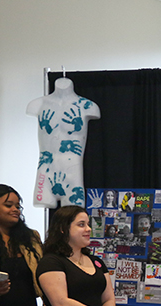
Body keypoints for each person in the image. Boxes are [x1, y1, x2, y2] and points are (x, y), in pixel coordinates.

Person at [27, 77, 100, 208]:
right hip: (46, 168)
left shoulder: (87, 106)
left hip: (73, 170)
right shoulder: (37, 104)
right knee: (45, 205)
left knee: (72, 216)